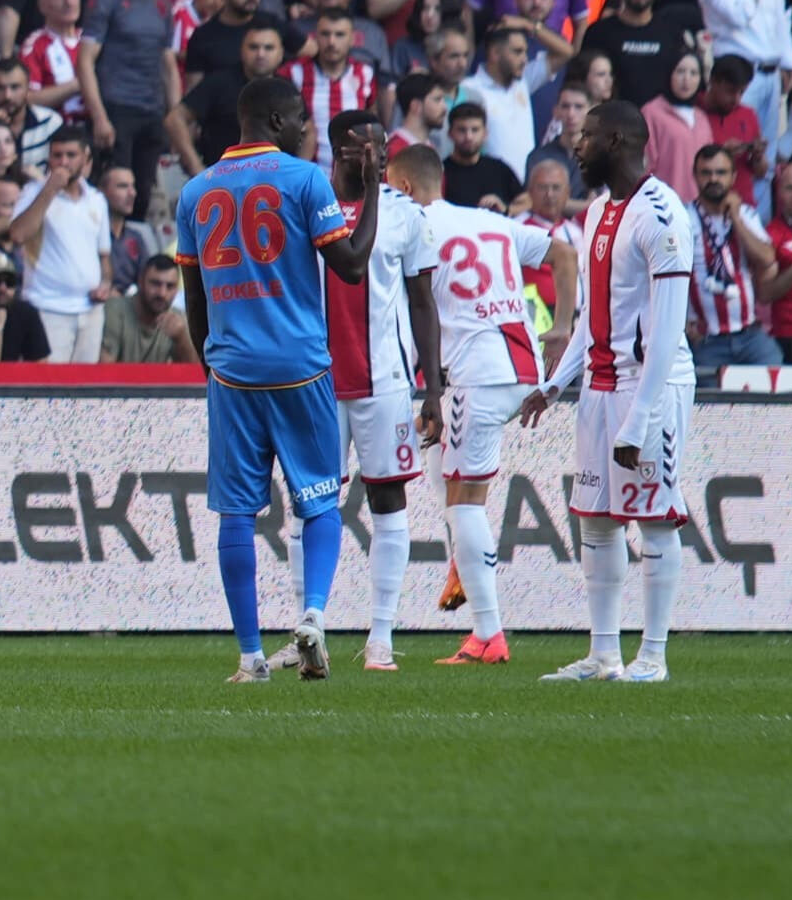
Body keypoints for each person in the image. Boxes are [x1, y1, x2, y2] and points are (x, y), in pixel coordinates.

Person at [172, 76, 370, 686]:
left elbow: (194, 294)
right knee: (318, 501)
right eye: (304, 123)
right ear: (280, 124)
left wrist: (215, 367)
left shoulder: (195, 192)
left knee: (236, 512)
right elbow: (352, 265)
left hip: (232, 370)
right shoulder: (304, 179)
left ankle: (250, 657)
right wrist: (375, 192)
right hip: (300, 365)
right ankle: (312, 615)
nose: (309, 133)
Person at [516, 103, 699, 686]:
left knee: (655, 521)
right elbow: (593, 314)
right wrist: (553, 384)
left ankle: (654, 656)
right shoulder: (597, 211)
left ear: (616, 140)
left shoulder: (662, 214)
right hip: (597, 386)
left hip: (650, 388)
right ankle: (603, 655)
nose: (576, 144)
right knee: (595, 521)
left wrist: (639, 418)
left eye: (587, 135)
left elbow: (668, 330)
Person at [379, 124, 544, 668]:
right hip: (521, 368)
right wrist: (562, 325)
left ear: (400, 184)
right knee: (440, 457)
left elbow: (411, 310)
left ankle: (488, 636)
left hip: (475, 371)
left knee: (464, 503)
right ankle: (460, 557)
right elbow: (562, 255)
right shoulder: (489, 220)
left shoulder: (411, 224)